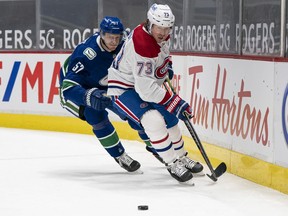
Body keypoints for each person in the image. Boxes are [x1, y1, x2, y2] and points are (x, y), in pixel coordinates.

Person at [107, 4, 204, 182]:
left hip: (142, 83)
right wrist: (175, 101)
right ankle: (172, 162)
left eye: (167, 27)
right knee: (153, 119)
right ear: (151, 24)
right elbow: (146, 91)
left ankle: (182, 156)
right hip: (123, 88)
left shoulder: (158, 35)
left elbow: (162, 56)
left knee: (170, 116)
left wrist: (166, 68)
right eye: (160, 26)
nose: (163, 31)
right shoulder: (142, 44)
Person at [59, 16, 160, 173]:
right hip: (81, 86)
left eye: (117, 37)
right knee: (95, 116)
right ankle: (119, 155)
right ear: (101, 34)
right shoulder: (86, 53)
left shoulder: (125, 44)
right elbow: (68, 86)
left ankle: (157, 146)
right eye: (109, 37)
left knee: (136, 113)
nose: (114, 41)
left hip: (109, 84)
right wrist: (88, 96)